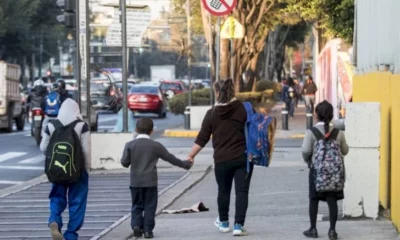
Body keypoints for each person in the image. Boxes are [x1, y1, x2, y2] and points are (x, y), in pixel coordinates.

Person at [187, 79, 253, 236]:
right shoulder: (244, 109)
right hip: (242, 158)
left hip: (222, 160)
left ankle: (223, 223)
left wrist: (191, 156)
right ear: (232, 91)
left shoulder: (212, 113)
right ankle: (238, 226)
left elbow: (202, 139)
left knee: (223, 191)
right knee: (242, 192)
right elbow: (255, 128)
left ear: (217, 93)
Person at [121, 117, 192, 239]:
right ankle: (148, 230)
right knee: (150, 205)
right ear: (152, 131)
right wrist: (185, 164)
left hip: (136, 182)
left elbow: (124, 163)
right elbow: (170, 158)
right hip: (151, 182)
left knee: (137, 204)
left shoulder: (130, 145)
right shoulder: (155, 146)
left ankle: (136, 226)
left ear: (136, 130)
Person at [40, 99, 91, 240]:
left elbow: (43, 148)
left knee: (56, 197)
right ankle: (71, 234)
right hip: (77, 171)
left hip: (57, 169)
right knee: (77, 201)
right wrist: (86, 170)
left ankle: (54, 220)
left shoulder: (51, 125)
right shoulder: (82, 126)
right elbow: (86, 151)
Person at [301, 100, 349, 240]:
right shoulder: (338, 133)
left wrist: (309, 161)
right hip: (334, 174)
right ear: (331, 115)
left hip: (316, 171)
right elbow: (345, 151)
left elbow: (305, 150)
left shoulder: (312, 132)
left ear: (316, 115)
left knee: (313, 199)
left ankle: (313, 229)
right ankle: (332, 231)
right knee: (332, 200)